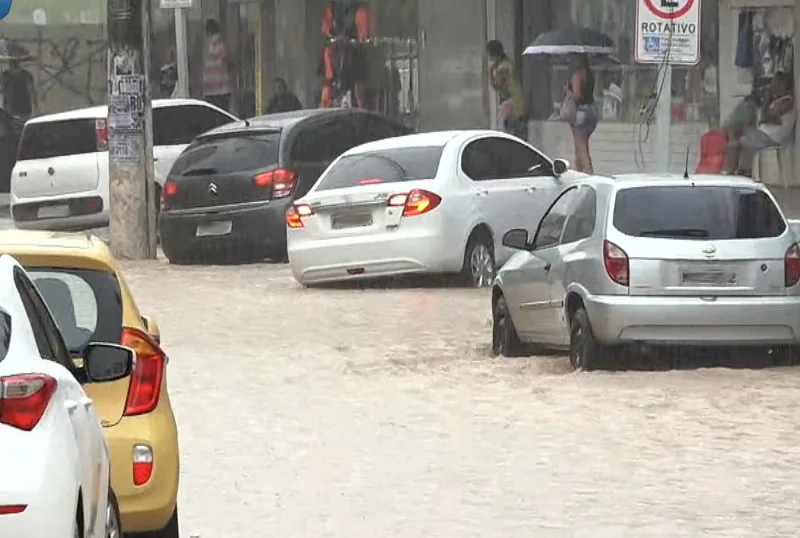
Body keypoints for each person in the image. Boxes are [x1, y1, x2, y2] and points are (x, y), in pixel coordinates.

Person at [723, 72, 795, 176]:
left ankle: (730, 172)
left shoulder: (787, 101)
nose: (772, 86)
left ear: (782, 85)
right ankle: (738, 165)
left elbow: (766, 117)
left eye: (775, 83)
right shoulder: (777, 100)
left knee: (736, 145)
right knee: (735, 129)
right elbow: (766, 119)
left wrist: (767, 98)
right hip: (762, 132)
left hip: (771, 138)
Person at [486, 40, 526, 140]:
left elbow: (497, 85)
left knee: (510, 137)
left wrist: (490, 71)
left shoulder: (503, 68)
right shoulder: (508, 63)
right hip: (516, 107)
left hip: (511, 108)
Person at [565, 54, 599, 174]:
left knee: (581, 148)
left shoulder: (577, 74)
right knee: (583, 147)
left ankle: (587, 173)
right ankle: (580, 171)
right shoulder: (589, 74)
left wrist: (569, 91)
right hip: (592, 110)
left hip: (581, 112)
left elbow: (577, 95)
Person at [202, 19, 233, 112]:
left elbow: (221, 57)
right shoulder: (218, 43)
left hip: (217, 88)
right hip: (219, 88)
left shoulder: (215, 43)